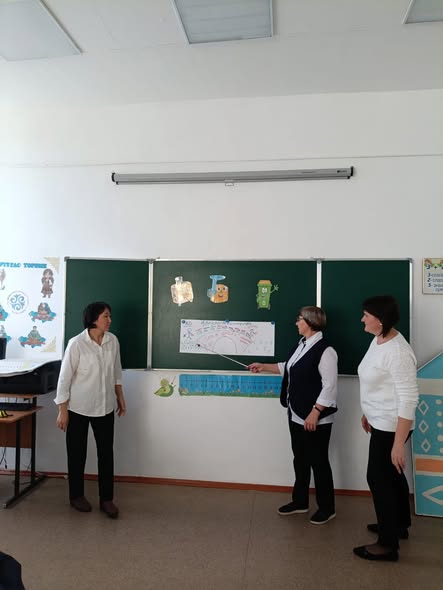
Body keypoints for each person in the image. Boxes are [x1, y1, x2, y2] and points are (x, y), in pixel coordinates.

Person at [249, 306, 338, 525]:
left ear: (310, 322)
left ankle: (327, 508)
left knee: (319, 462)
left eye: (299, 319)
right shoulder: (302, 345)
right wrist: (263, 366)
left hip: (315, 417)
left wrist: (315, 413)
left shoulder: (326, 350)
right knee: (300, 459)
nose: (296, 323)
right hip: (296, 413)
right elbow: (288, 367)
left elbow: (330, 386)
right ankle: (300, 502)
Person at [353, 295, 419, 562]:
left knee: (378, 480)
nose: (362, 319)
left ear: (380, 320)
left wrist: (398, 444)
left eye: (366, 315)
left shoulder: (398, 353)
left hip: (393, 427)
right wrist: (368, 412)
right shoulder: (379, 339)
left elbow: (409, 398)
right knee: (392, 477)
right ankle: (399, 525)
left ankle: (387, 545)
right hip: (380, 421)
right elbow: (378, 383)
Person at [55, 301, 126, 518]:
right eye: (106, 316)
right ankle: (76, 496)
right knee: (77, 453)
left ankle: (107, 500)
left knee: (106, 454)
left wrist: (120, 398)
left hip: (105, 406)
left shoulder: (113, 341)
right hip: (78, 407)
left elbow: (116, 372)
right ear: (94, 319)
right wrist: (62, 410)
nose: (110, 320)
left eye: (109, 316)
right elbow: (64, 379)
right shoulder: (76, 343)